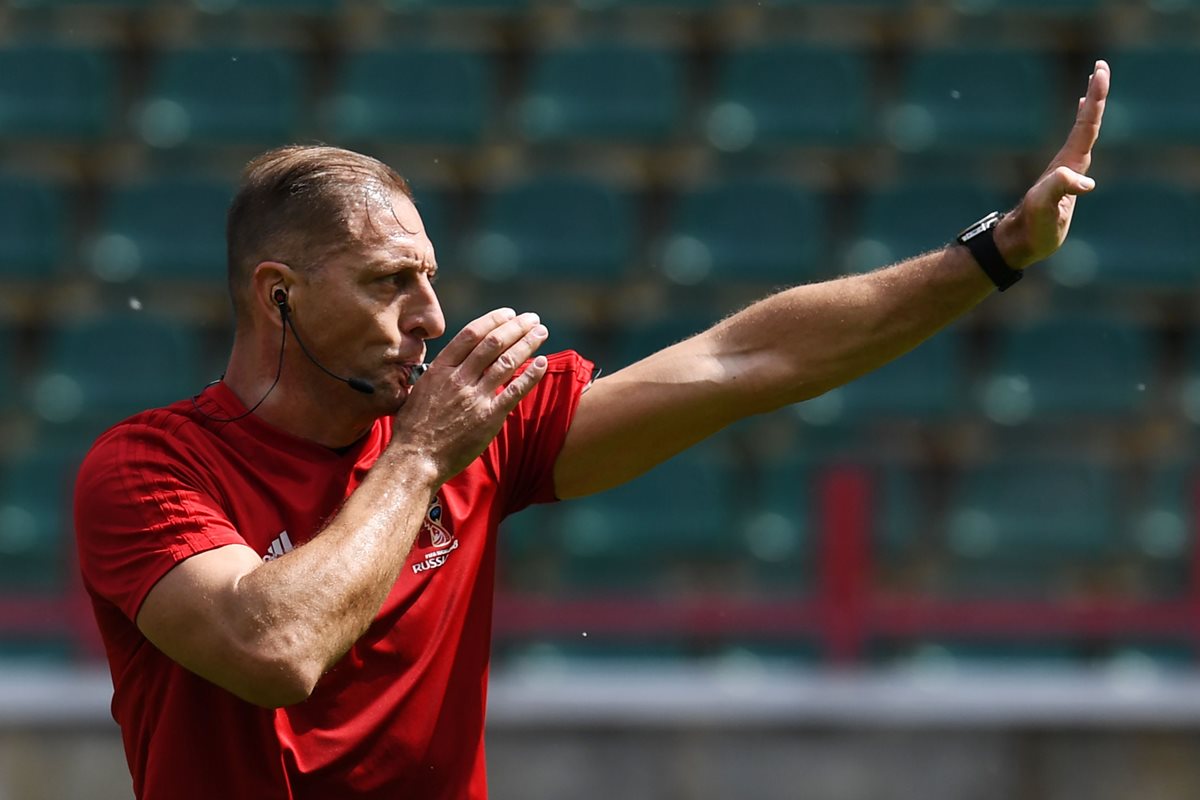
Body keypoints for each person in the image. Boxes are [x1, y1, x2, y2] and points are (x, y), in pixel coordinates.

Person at [74, 60, 1110, 799]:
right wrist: (424, 456)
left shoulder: (469, 425)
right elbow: (275, 645)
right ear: (278, 295)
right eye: (391, 283)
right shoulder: (151, 469)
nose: (432, 316)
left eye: (430, 277)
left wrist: (995, 251)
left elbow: (745, 358)